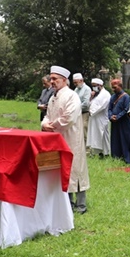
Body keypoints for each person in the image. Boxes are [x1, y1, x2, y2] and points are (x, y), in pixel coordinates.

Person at [41, 66, 90, 214]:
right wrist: (44, 124)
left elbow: (69, 118)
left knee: (75, 169)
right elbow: (47, 115)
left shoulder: (71, 96)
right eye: (51, 78)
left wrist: (52, 126)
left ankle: (81, 205)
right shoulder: (53, 97)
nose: (52, 81)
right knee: (61, 169)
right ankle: (67, 203)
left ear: (64, 80)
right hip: (56, 138)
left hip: (71, 137)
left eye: (55, 78)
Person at [108, 79, 130, 163]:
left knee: (125, 139)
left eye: (115, 87)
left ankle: (127, 157)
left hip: (124, 122)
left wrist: (118, 117)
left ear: (120, 86)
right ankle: (116, 156)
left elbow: (126, 109)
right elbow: (109, 108)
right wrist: (110, 116)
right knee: (115, 139)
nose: (113, 89)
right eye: (112, 88)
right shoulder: (112, 97)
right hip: (115, 123)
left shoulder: (126, 97)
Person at [87, 78, 111, 158]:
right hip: (94, 118)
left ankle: (106, 153)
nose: (93, 88)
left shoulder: (105, 94)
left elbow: (102, 106)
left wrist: (92, 112)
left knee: (103, 136)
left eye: (95, 86)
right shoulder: (97, 94)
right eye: (92, 86)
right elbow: (90, 103)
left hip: (102, 118)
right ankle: (98, 152)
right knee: (95, 135)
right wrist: (91, 97)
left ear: (100, 85)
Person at [72, 73, 91, 142]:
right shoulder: (76, 89)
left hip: (84, 113)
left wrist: (76, 108)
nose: (75, 84)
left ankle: (86, 148)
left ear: (81, 80)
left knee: (83, 129)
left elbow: (86, 103)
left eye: (76, 82)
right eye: (74, 83)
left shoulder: (87, 89)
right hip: (77, 113)